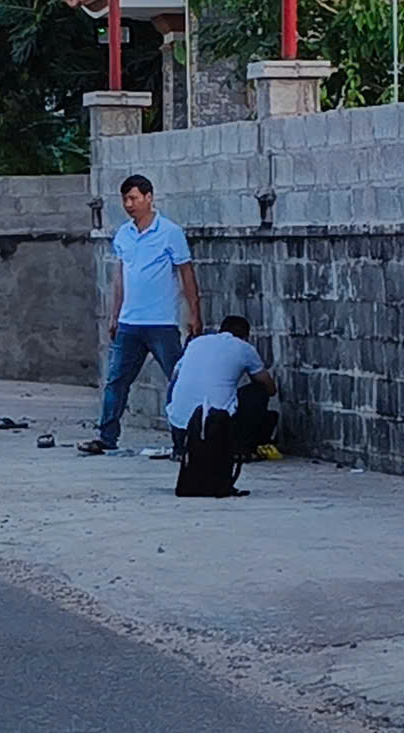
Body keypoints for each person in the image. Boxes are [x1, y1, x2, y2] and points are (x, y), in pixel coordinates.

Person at [79, 174, 200, 456]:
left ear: (149, 197)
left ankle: (183, 441)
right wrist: (114, 315)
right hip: (130, 323)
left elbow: (186, 273)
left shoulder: (170, 232)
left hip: (162, 323)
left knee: (178, 381)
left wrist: (194, 313)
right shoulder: (124, 234)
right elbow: (120, 277)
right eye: (125, 199)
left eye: (133, 198)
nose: (129, 204)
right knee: (116, 381)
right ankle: (106, 436)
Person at [168, 316, 276, 498]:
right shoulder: (244, 348)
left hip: (180, 423)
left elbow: (174, 376)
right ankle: (241, 447)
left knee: (176, 387)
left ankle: (179, 447)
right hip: (214, 425)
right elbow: (269, 387)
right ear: (245, 336)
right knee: (258, 392)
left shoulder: (196, 343)